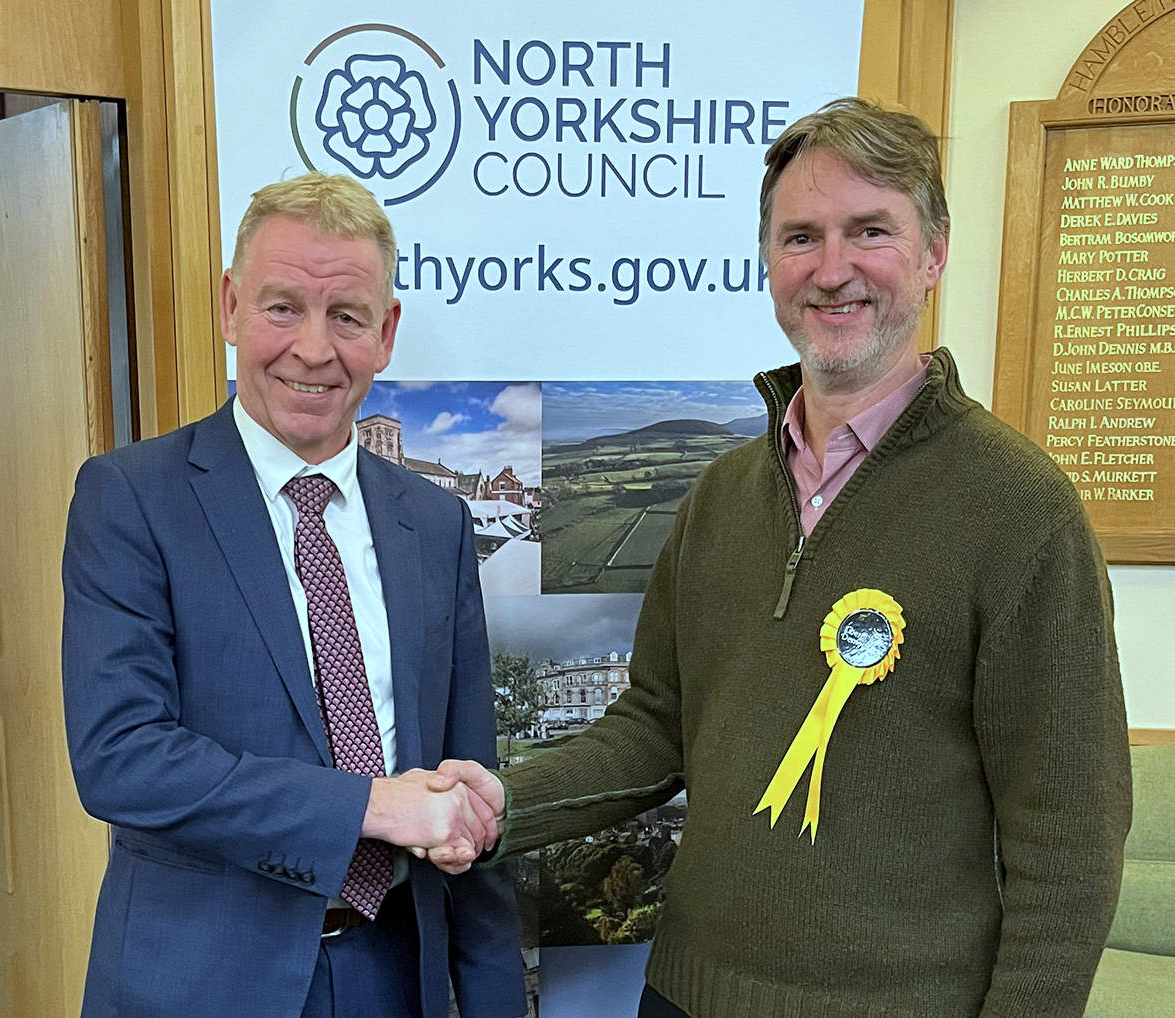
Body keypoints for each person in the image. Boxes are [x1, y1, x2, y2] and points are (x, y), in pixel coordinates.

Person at [432, 98, 1131, 1017]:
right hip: (683, 996)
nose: (831, 270)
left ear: (932, 253)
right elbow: (654, 730)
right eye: (800, 236)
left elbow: (1068, 831)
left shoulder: (1018, 508)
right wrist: (497, 804)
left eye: (869, 231)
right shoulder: (720, 495)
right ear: (768, 262)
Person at [61, 172, 524, 1018]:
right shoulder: (131, 497)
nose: (313, 349)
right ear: (231, 305)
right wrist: (370, 806)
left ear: (384, 332)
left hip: (395, 974)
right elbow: (119, 758)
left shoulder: (436, 521)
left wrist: (492, 1000)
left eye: (345, 316)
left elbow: (467, 784)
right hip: (200, 980)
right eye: (282, 308)